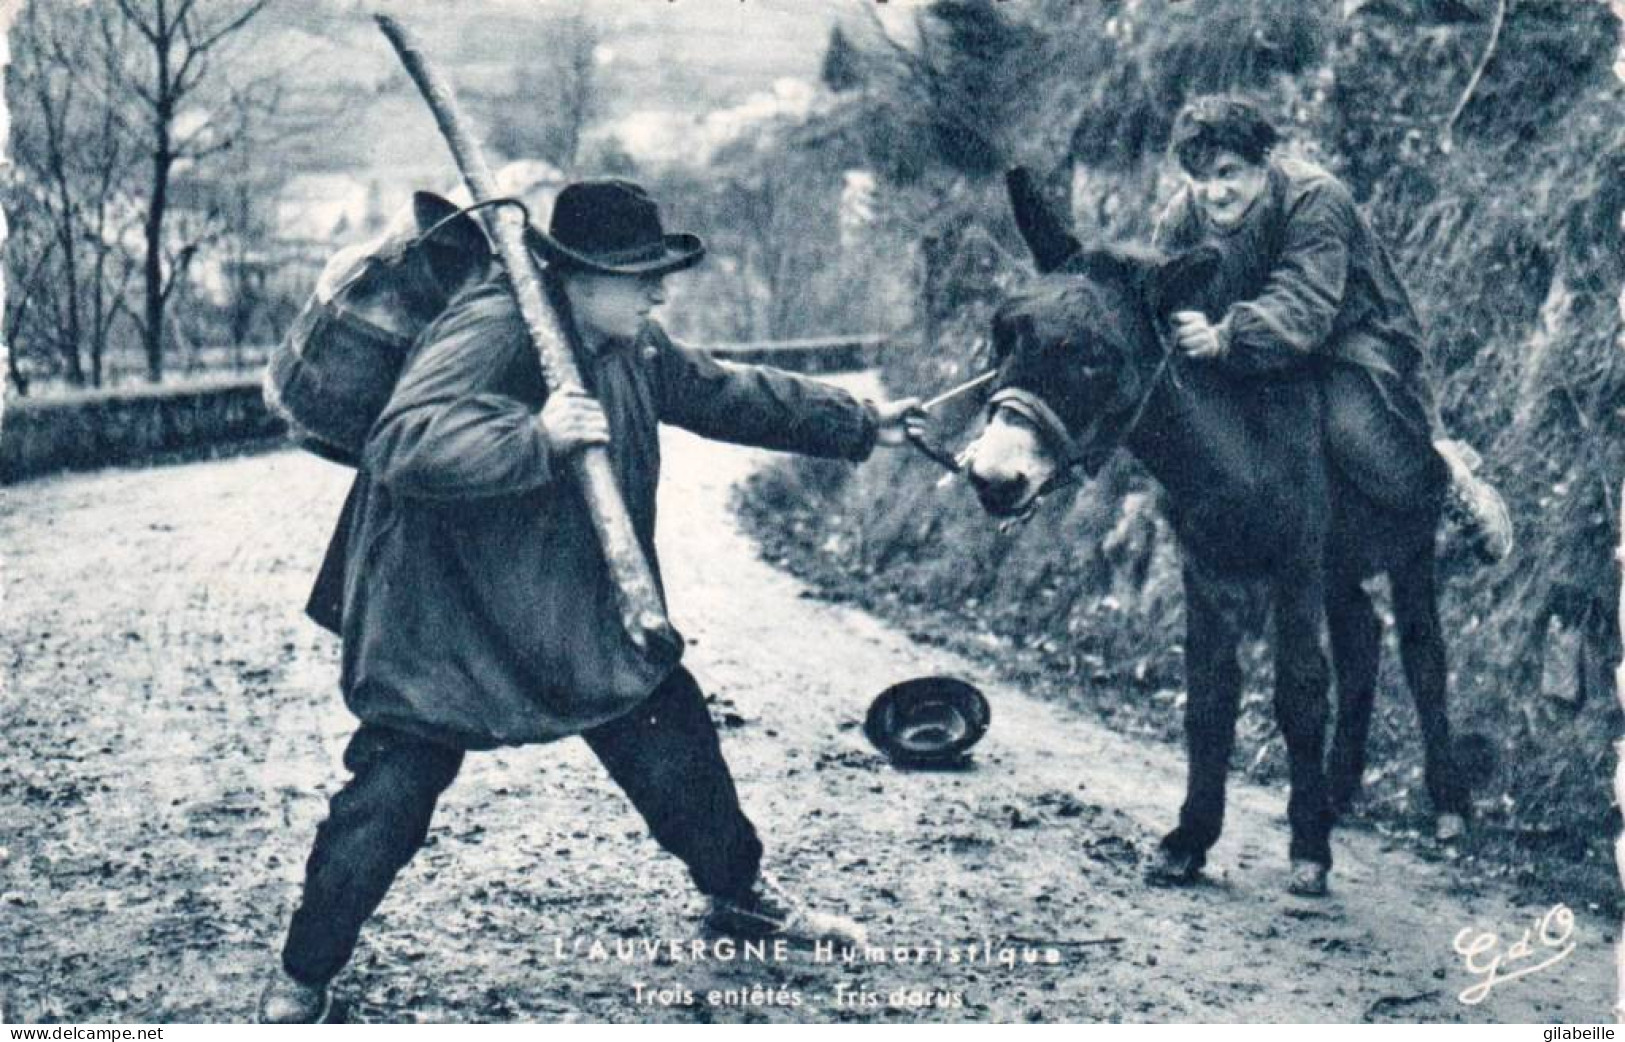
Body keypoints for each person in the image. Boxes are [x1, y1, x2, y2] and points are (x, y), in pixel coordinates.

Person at [257, 179, 924, 1023]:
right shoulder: (497, 325)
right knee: (387, 798)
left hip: (572, 607)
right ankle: (304, 973)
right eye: (640, 274)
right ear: (576, 274)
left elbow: (719, 389)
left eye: (660, 273)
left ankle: (738, 894)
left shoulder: (623, 341)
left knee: (673, 743)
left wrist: (861, 423)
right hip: (443, 618)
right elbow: (405, 440)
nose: (658, 290)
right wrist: (534, 438)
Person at [1152, 94, 1513, 561]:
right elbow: (1159, 293)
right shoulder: (1181, 222)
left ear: (1262, 163)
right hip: (1253, 359)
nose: (1214, 192)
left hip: (1350, 342)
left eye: (1227, 173)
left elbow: (1305, 301)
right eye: (1199, 179)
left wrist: (1223, 337)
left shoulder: (1314, 198)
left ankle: (1451, 483)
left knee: (1360, 439)